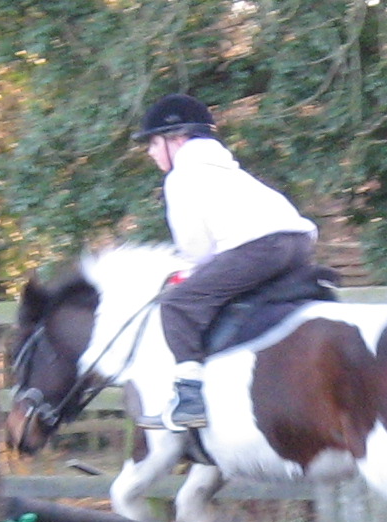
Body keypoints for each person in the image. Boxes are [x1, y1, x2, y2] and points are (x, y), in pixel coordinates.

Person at [134, 94, 318, 428]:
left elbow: (196, 249)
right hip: (299, 243)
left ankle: (190, 399)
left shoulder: (181, 176)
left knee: (177, 304)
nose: (150, 152)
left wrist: (189, 275)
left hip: (260, 249)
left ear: (177, 139)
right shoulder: (228, 170)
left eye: (154, 143)